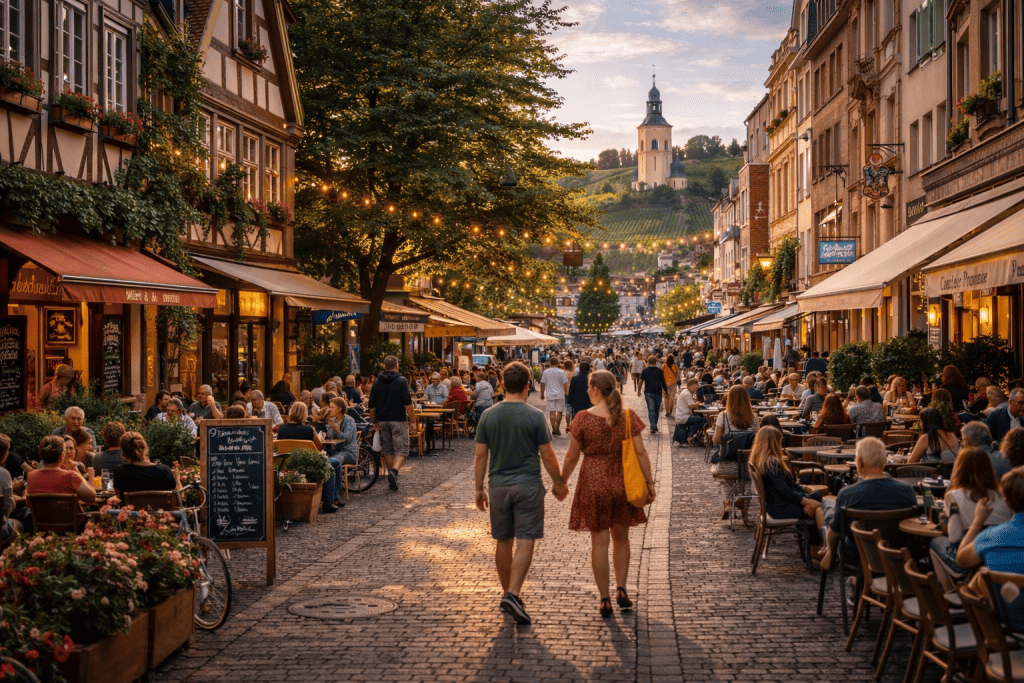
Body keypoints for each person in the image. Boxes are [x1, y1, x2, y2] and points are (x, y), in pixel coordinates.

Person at [474, 361, 567, 625]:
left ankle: (508, 594)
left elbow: (481, 455)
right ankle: (513, 594)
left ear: (502, 384)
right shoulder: (535, 416)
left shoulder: (488, 415)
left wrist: (479, 488)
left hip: (499, 486)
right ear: (528, 385)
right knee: (526, 538)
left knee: (503, 541)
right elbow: (548, 456)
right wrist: (559, 483)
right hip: (528, 485)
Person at [560, 370, 654, 618]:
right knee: (621, 540)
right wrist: (650, 483)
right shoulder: (627, 416)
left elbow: (571, 456)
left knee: (599, 543)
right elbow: (641, 452)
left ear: (594, 391)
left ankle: (604, 598)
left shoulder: (582, 418)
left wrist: (561, 481)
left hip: (593, 482)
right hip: (622, 482)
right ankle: (621, 588)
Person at [819, 437, 917, 570]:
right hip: (896, 556)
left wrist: (830, 547)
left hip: (857, 557)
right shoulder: (907, 490)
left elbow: (835, 532)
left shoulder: (848, 493)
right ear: (884, 460)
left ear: (859, 462)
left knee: (829, 507)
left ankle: (829, 552)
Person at [955, 467, 1024, 631]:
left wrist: (978, 521)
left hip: (1006, 628)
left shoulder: (991, 537)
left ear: (1006, 500)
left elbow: (961, 559)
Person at [928, 447, 1012, 579]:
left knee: (935, 541)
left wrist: (944, 519)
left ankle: (949, 591)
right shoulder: (1004, 496)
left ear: (960, 469)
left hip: (968, 555)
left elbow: (954, 536)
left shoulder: (953, 496)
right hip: (997, 554)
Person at [750, 426, 826, 552]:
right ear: (774, 443)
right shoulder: (772, 462)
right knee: (817, 508)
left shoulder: (760, 460)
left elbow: (787, 486)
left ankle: (818, 547)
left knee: (817, 497)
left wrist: (804, 493)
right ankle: (816, 549)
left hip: (775, 505)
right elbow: (783, 490)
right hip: (781, 508)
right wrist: (805, 501)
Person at [279, 402, 343, 512]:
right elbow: (319, 447)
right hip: (307, 466)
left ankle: (335, 498)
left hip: (287, 464)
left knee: (335, 463)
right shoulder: (309, 430)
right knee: (333, 466)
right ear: (304, 414)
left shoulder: (281, 429)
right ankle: (329, 502)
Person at [710, 385, 759, 520]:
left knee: (726, 480)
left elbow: (715, 440)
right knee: (747, 481)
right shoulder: (754, 417)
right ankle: (744, 509)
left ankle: (727, 503)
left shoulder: (723, 416)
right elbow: (757, 442)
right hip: (747, 466)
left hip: (727, 464)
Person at [368, 356, 417, 492]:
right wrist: (413, 420)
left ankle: (392, 478)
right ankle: (394, 472)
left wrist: (374, 421)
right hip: (398, 419)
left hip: (382, 420)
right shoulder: (401, 381)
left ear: (384, 366)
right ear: (396, 366)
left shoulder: (377, 382)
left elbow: (371, 405)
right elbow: (408, 403)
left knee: (388, 450)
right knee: (402, 450)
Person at [26, 436, 96, 506]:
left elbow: (28, 504)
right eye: (65, 450)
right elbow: (92, 497)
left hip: (40, 517)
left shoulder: (31, 476)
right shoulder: (71, 476)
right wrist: (79, 472)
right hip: (69, 517)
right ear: (62, 455)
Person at [113, 431, 181, 496]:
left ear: (123, 452)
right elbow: (179, 498)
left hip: (132, 508)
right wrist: (177, 478)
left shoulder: (120, 473)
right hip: (160, 508)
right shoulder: (164, 471)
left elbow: (118, 497)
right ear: (145, 447)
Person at [323, 397, 359, 466]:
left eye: (332, 407)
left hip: (348, 453)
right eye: (329, 407)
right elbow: (330, 438)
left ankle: (337, 477)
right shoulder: (333, 419)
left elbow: (347, 439)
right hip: (335, 451)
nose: (329, 409)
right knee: (321, 459)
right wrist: (330, 427)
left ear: (339, 408)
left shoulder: (349, 421)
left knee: (333, 461)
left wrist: (337, 430)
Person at [540, 357, 569, 437]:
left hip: (550, 394)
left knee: (552, 412)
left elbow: (542, 383)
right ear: (558, 363)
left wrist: (542, 394)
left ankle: (553, 429)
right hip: (560, 394)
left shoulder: (546, 372)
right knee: (559, 412)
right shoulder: (561, 372)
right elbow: (565, 383)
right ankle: (557, 427)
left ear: (549, 363)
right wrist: (566, 392)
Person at [638, 355, 668, 434]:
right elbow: (663, 382)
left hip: (648, 392)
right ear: (656, 362)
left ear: (648, 362)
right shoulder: (659, 370)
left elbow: (640, 381)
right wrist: (666, 391)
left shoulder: (645, 371)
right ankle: (654, 425)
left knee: (651, 409)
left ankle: (653, 426)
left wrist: (638, 390)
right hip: (658, 392)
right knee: (656, 409)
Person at [674, 378, 707, 446]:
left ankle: (692, 436)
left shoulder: (686, 392)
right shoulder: (687, 393)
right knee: (701, 419)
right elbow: (691, 406)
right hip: (683, 417)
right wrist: (697, 403)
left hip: (683, 416)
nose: (696, 389)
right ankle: (691, 437)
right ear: (693, 386)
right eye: (696, 387)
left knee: (698, 419)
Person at [566, 361, 593, 428]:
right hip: (589, 402)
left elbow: (571, 391)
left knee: (577, 420)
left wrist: (569, 401)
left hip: (577, 402)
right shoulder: (591, 378)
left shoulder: (574, 378)